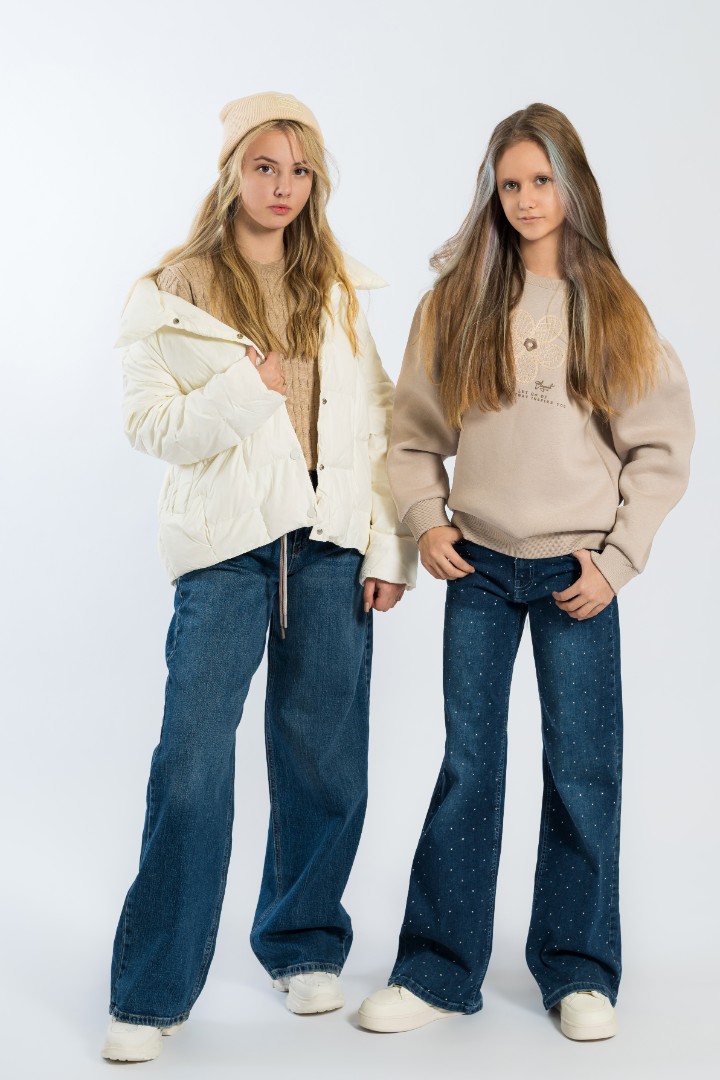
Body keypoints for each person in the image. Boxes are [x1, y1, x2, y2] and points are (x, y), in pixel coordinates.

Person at [358, 103, 693, 1041]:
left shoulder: (612, 310)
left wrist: (618, 560)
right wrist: (426, 519)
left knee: (583, 769)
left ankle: (578, 969)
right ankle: (437, 968)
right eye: (509, 184)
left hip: (575, 575)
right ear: (491, 193)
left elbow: (661, 448)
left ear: (572, 185)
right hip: (479, 566)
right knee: (469, 765)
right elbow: (412, 436)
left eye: (542, 180)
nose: (526, 199)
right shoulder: (456, 304)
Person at [102, 91, 416, 1063]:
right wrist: (248, 388)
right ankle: (152, 992)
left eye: (300, 170)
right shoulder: (176, 287)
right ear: (233, 170)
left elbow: (382, 417)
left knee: (325, 758)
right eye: (265, 166)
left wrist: (389, 546)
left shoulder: (337, 286)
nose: (283, 187)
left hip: (330, 543)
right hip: (226, 551)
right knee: (192, 764)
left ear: (316, 181)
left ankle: (303, 941)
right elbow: (148, 426)